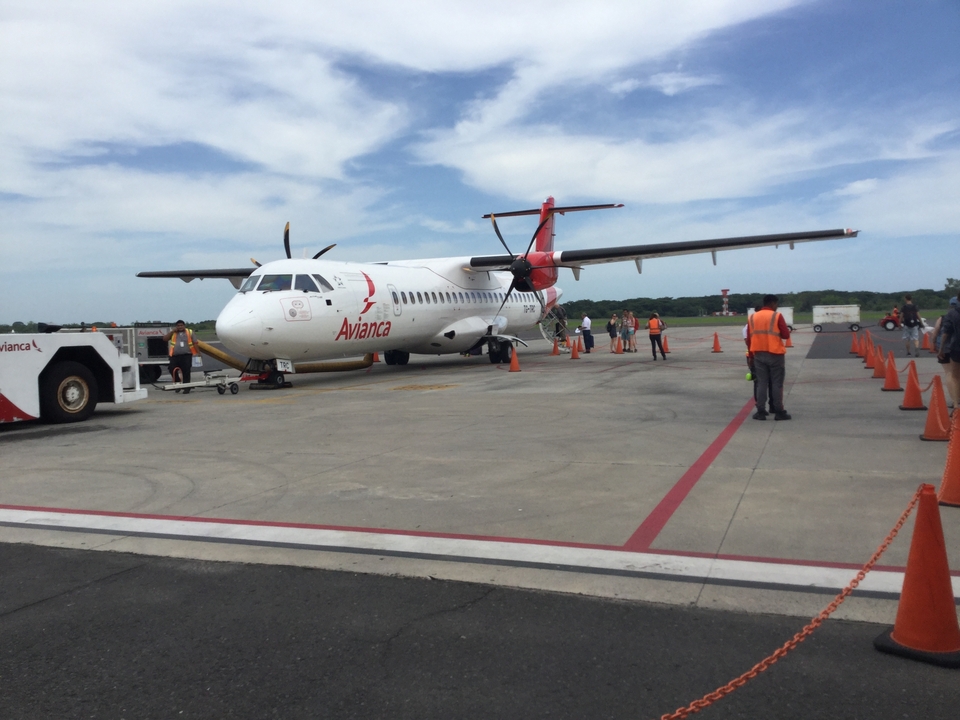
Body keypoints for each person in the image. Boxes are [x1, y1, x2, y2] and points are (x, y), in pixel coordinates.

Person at [747, 295, 791, 420]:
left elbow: (750, 339)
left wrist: (751, 356)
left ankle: (761, 411)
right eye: (776, 304)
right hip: (775, 354)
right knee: (777, 383)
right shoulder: (776, 316)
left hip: (758, 354)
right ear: (772, 303)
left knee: (761, 383)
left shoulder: (752, 317)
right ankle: (778, 411)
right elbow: (786, 335)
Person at [937, 293, 960, 410]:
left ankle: (956, 405)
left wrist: (941, 349)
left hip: (956, 347)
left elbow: (945, 332)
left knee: (955, 376)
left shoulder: (952, 314)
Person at [164, 320, 200, 392]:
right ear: (176, 326)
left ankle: (186, 387)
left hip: (186, 355)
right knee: (172, 369)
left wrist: (198, 353)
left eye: (181, 325)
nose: (180, 327)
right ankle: (178, 384)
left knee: (186, 371)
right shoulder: (173, 333)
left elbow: (195, 343)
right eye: (178, 326)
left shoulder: (190, 332)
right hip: (174, 355)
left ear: (184, 326)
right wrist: (172, 332)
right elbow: (165, 339)